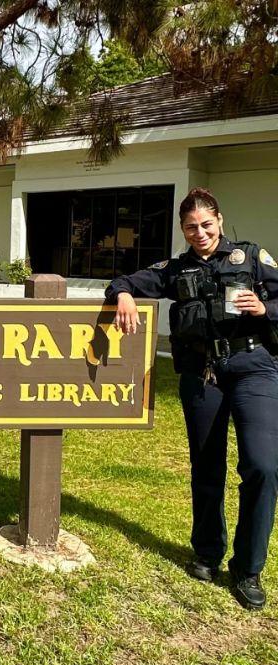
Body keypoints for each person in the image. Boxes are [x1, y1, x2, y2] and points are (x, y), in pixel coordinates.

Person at [106, 187, 278, 610]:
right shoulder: (175, 269)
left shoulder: (252, 258)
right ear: (182, 230)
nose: (199, 232)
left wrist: (265, 310)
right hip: (203, 375)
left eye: (206, 224)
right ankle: (207, 552)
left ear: (219, 220)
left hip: (253, 366)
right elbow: (123, 281)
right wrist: (124, 296)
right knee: (206, 467)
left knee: (263, 465)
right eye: (190, 227)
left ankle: (248, 567)